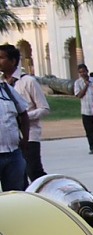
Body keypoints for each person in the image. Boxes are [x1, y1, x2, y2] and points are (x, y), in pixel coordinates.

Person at [0, 44, 50, 184]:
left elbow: (44, 108)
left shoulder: (28, 81)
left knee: (34, 172)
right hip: (11, 141)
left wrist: (24, 117)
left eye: (1, 57)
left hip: (30, 137)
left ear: (13, 61)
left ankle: (49, 195)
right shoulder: (2, 84)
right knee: (19, 178)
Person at [0, 64, 30, 191]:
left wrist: (25, 139)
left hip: (13, 154)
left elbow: (23, 113)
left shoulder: (6, 90)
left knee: (16, 195)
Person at [74, 63, 93, 154]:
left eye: (84, 71)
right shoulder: (78, 83)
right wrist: (85, 85)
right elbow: (79, 95)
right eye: (80, 72)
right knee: (89, 131)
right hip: (86, 111)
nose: (83, 74)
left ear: (87, 71)